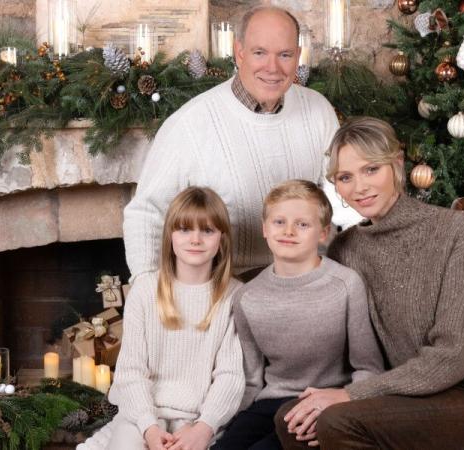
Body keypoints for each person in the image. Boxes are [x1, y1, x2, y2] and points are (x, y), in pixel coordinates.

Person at [277, 117, 464, 450]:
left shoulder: (456, 231)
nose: (359, 187)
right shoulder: (346, 248)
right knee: (293, 419)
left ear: (396, 164)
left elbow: (455, 353)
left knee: (336, 420)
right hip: (401, 397)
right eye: (345, 177)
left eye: (371, 170)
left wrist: (351, 395)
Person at [122, 6, 357, 286]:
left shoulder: (318, 109)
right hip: (226, 290)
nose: (273, 68)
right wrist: (147, 290)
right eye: (260, 53)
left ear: (297, 56)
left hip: (307, 280)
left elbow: (342, 196)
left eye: (284, 55)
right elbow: (146, 213)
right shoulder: (189, 123)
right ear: (240, 52)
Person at [213, 180, 383, 450]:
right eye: (279, 222)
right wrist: (223, 426)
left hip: (327, 402)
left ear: (323, 233)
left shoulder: (346, 284)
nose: (289, 231)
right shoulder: (247, 297)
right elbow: (251, 378)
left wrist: (342, 402)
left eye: (302, 224)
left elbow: (368, 367)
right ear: (265, 229)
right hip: (269, 403)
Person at [79, 187, 245, 450]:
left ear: (222, 239)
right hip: (141, 417)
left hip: (198, 421)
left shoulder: (234, 297)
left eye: (208, 230)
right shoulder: (145, 291)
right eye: (185, 229)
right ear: (169, 235)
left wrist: (205, 427)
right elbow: (131, 371)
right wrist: (149, 427)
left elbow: (231, 376)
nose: (196, 239)